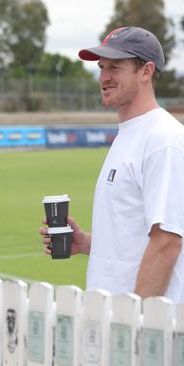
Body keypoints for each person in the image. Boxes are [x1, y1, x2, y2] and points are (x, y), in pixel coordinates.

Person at [40, 26, 184, 302]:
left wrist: (134, 322)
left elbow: (167, 242)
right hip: (109, 319)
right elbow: (133, 237)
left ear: (146, 72)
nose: (104, 77)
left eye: (115, 67)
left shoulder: (163, 138)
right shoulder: (130, 133)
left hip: (138, 328)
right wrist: (88, 243)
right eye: (101, 67)